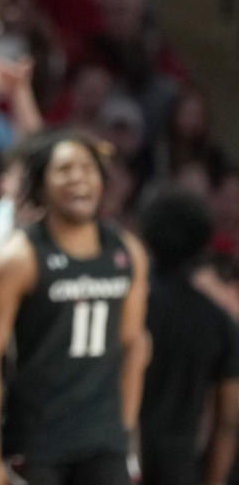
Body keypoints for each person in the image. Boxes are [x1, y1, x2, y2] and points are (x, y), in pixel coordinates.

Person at [0, 131, 149, 485]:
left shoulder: (127, 251)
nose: (78, 177)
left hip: (103, 440)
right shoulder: (19, 258)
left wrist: (125, 433)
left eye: (87, 168)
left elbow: (134, 346)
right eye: (65, 169)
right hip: (36, 441)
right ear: (41, 184)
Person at [138, 186, 239, 485]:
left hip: (119, 456)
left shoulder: (125, 306)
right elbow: (228, 422)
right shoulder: (218, 321)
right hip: (181, 464)